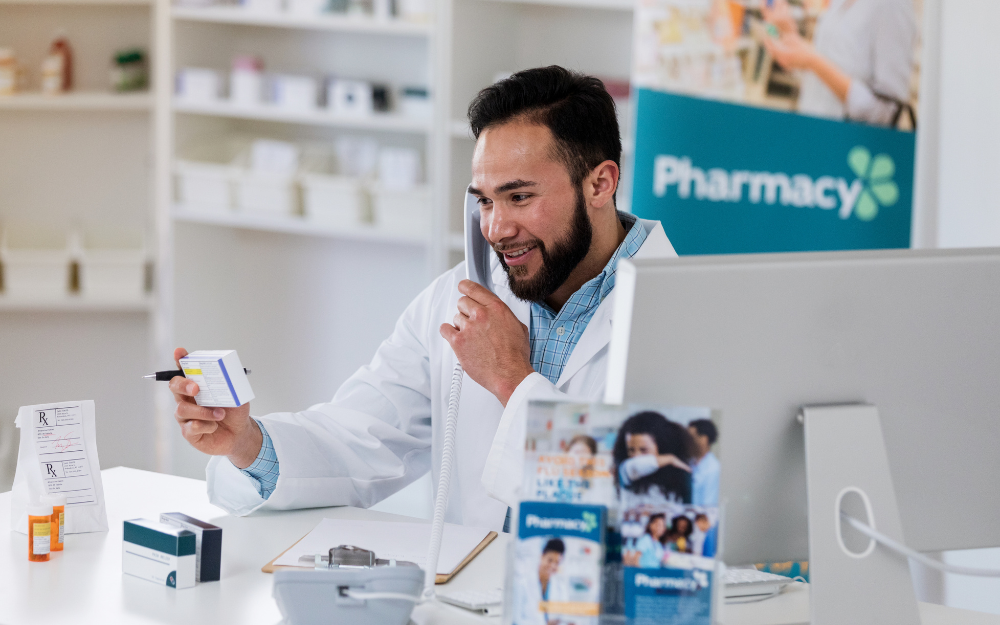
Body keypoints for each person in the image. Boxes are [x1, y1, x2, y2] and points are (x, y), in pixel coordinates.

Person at [168, 66, 678, 530]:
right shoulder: (455, 299)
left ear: (600, 183)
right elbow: (363, 437)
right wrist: (248, 443)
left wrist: (511, 382)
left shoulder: (688, 318)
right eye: (484, 200)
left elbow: (653, 511)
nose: (496, 229)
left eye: (520, 197)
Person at [761, 0, 917, 127]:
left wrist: (813, 61)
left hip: (847, 150)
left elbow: (887, 112)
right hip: (810, 132)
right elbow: (830, 63)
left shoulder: (894, 6)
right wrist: (789, 35)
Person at [613, 411, 694, 505]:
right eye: (631, 450)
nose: (636, 456)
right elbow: (635, 466)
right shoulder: (625, 471)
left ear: (662, 447)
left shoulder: (679, 477)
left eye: (644, 450)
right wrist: (670, 459)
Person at [513, 538, 566, 625]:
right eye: (550, 560)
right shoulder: (522, 583)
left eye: (557, 563)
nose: (552, 566)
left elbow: (562, 618)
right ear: (542, 556)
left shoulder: (560, 588)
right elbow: (516, 620)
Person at [687, 419, 720, 506]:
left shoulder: (713, 469)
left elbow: (708, 506)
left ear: (704, 439)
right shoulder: (689, 462)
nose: (687, 442)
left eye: (691, 438)